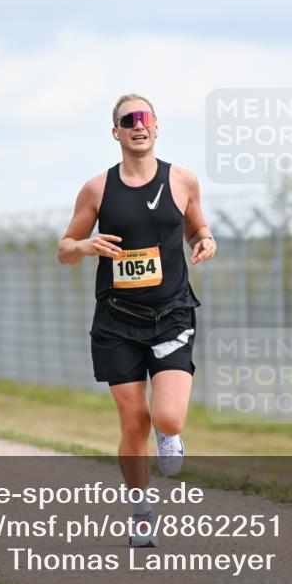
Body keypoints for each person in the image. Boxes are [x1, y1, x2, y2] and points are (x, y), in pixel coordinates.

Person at [57, 94, 216, 547]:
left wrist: (204, 240)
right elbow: (64, 248)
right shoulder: (97, 189)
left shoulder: (182, 180)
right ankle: (141, 511)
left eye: (145, 118)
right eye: (129, 120)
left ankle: (171, 435)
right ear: (117, 133)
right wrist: (85, 246)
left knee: (166, 417)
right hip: (116, 320)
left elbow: (195, 227)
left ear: (157, 127)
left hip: (171, 315)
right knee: (133, 422)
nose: (138, 125)